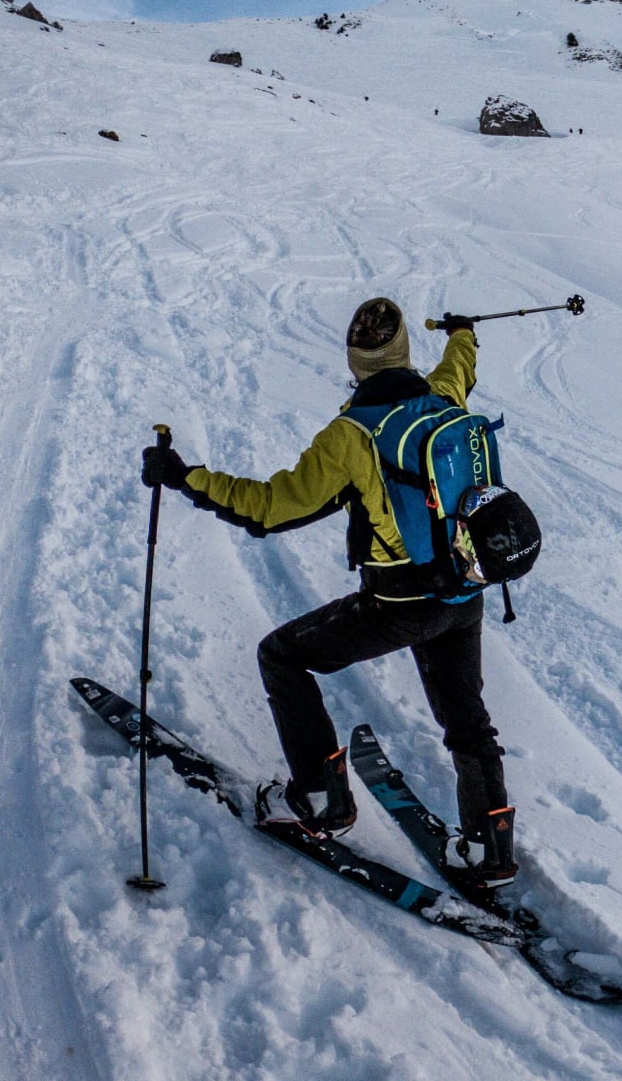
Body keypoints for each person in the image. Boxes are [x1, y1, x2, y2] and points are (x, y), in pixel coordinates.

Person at [141, 296, 516, 886]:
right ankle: (490, 849)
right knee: (468, 719)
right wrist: (464, 331)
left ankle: (319, 801)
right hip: (464, 592)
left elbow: (269, 508)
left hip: (397, 604)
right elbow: (459, 365)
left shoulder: (351, 436)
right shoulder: (443, 399)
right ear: (403, 352)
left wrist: (185, 477)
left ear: (354, 358)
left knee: (283, 656)